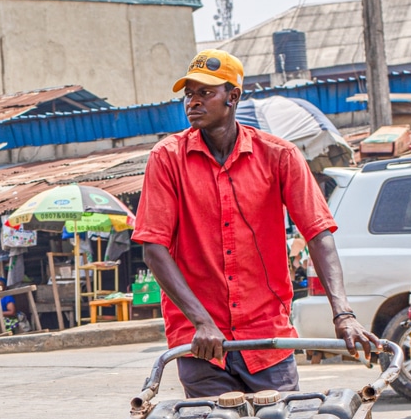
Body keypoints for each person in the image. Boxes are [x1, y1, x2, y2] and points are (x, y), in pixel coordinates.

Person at [132, 49, 375, 398]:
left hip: (267, 338)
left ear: (233, 96)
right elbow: (154, 247)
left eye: (205, 93)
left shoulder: (279, 155)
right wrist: (202, 321)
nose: (193, 102)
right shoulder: (167, 158)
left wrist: (344, 314)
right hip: (202, 344)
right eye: (189, 94)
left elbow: (318, 233)